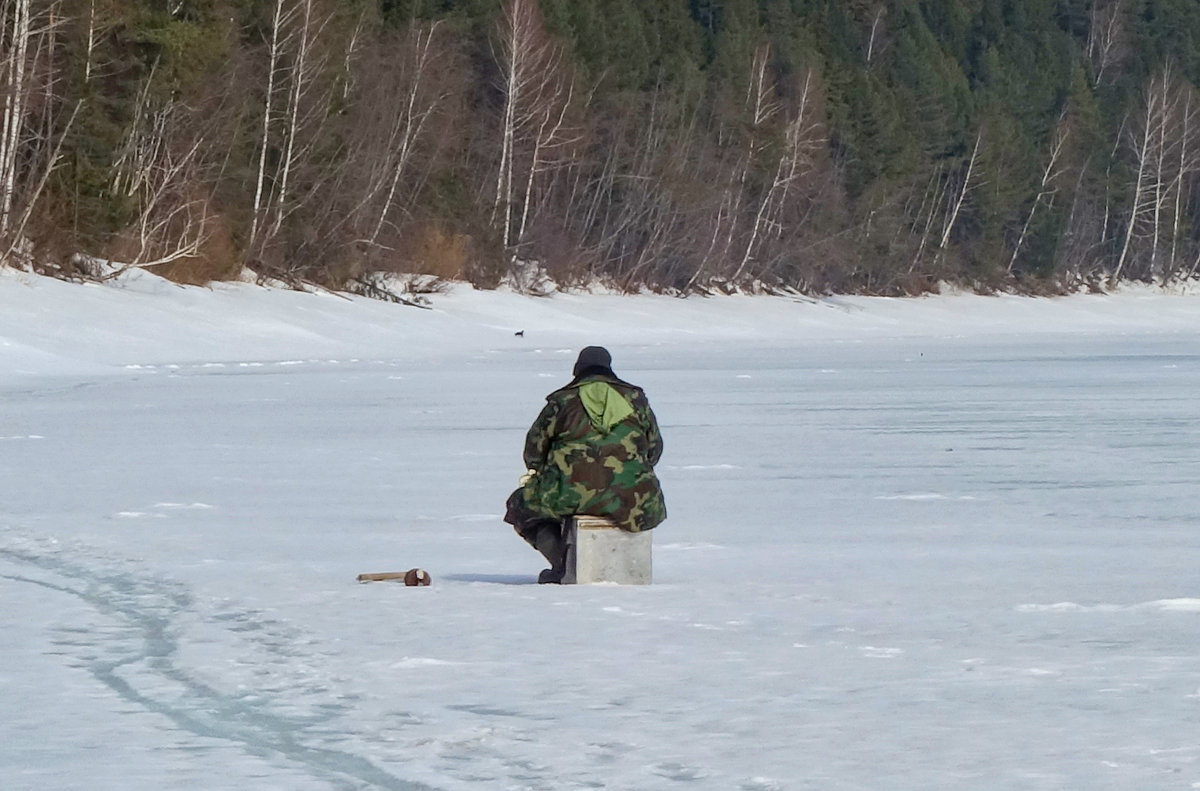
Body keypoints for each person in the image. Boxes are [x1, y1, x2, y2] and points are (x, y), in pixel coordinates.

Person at [505, 346, 666, 583]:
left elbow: (534, 451)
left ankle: (564, 565)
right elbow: (654, 449)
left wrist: (545, 472)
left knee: (521, 506)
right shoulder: (636, 400)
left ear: (578, 369)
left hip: (568, 493)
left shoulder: (562, 400)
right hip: (634, 497)